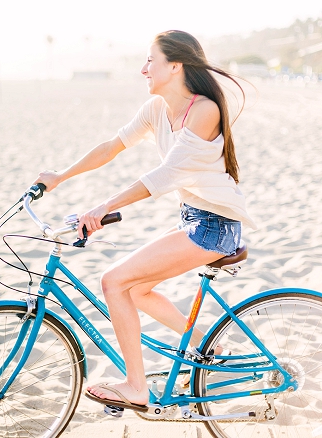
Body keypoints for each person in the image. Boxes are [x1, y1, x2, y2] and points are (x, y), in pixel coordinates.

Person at [33, 30, 256, 412]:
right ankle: (209, 345)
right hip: (195, 220)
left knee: (114, 281)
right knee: (135, 289)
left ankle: (136, 387)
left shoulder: (205, 110)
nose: (143, 69)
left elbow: (164, 176)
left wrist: (102, 207)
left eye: (150, 60)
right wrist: (60, 176)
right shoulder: (157, 109)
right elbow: (112, 147)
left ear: (175, 65)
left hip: (214, 226)